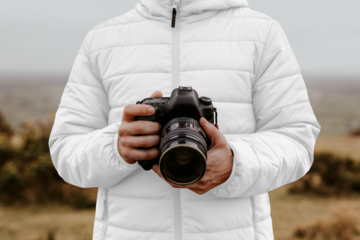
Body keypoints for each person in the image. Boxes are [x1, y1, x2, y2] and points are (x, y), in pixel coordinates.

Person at [49, 0, 320, 239]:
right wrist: (115, 148)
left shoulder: (263, 34)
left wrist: (234, 164)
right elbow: (65, 147)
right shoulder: (101, 40)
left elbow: (297, 137)